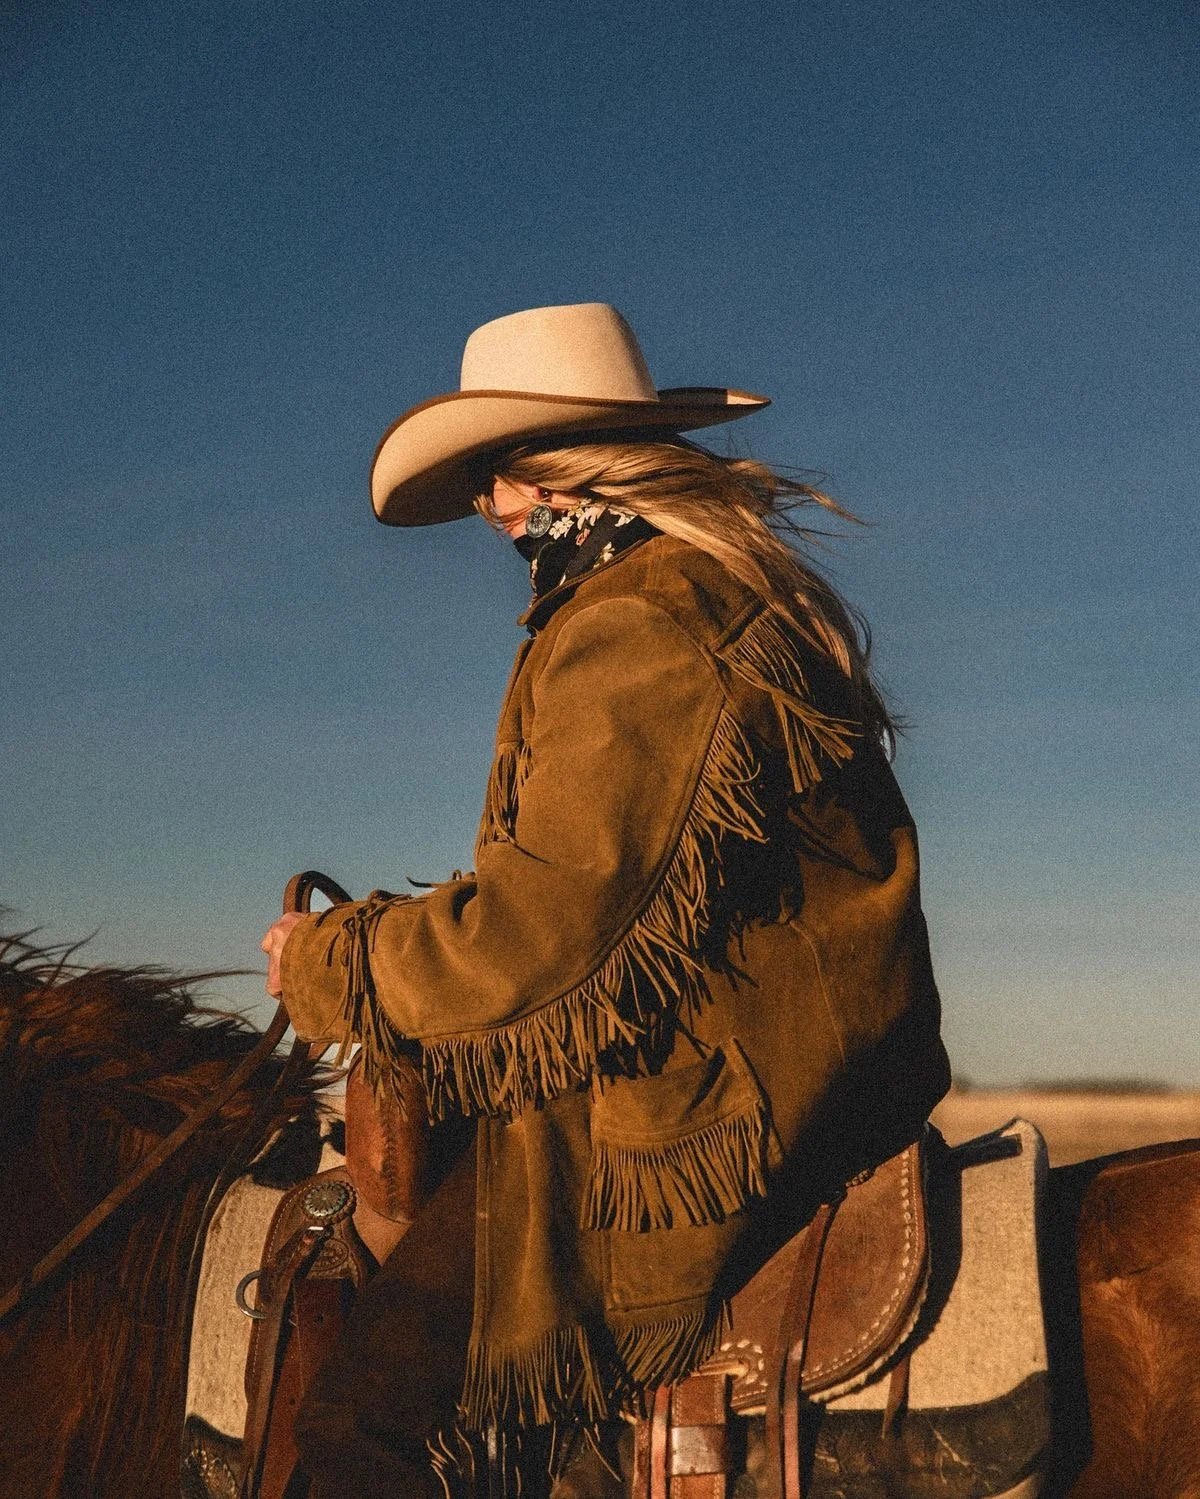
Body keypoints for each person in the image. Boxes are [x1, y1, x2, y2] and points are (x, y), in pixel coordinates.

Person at [261, 302, 951, 1496]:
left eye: (492, 476)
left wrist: (335, 960)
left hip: (719, 1111)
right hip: (815, 1062)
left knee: (361, 1419)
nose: (487, 510)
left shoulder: (638, 619)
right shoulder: (693, 591)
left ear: (551, 469)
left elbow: (548, 936)